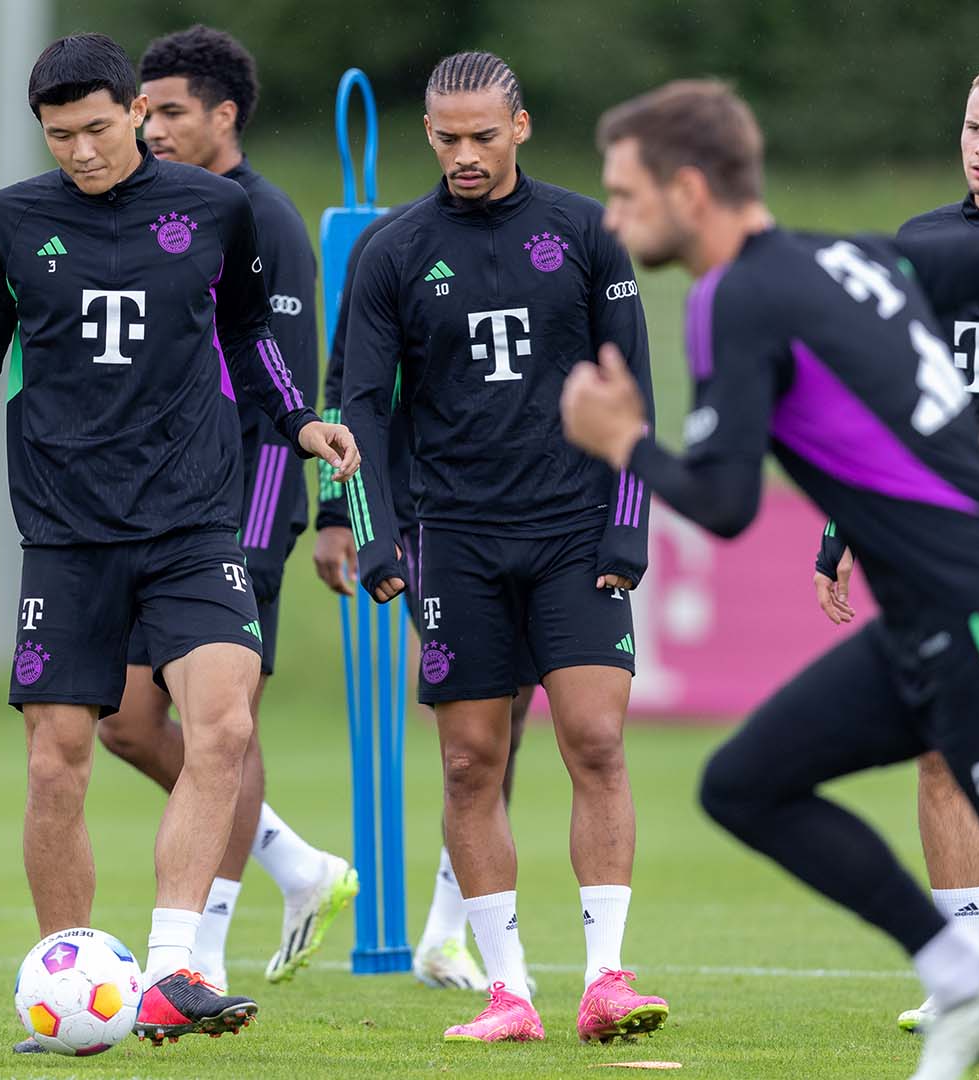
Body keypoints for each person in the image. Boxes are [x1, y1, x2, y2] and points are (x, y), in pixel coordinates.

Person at [0, 33, 358, 1048]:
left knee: (223, 726)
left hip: (193, 518)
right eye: (58, 134)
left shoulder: (217, 210)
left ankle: (171, 969)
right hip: (68, 531)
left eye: (97, 128)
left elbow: (254, 337)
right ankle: (70, 982)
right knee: (57, 761)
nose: (79, 151)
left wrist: (300, 421)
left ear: (135, 112)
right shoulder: (11, 222)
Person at [567, 77, 979, 1080]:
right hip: (920, 628)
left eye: (627, 194)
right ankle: (963, 975)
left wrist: (624, 439)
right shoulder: (850, 255)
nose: (613, 217)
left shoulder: (737, 296)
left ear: (689, 191)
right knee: (746, 784)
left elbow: (723, 503)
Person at [339, 51, 665, 1044]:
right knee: (472, 765)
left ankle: (607, 976)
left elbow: (634, 385)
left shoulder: (585, 233)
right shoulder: (392, 251)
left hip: (573, 529)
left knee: (595, 741)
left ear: (519, 127)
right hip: (456, 540)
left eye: (484, 135)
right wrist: (373, 533)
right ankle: (510, 990)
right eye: (446, 137)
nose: (465, 154)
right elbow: (360, 404)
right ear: (428, 134)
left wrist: (630, 519)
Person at [76, 24, 356, 997]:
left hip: (243, 508)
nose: (150, 129)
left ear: (226, 115)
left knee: (218, 724)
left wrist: (272, 532)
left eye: (171, 112)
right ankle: (295, 865)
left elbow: (283, 391)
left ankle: (203, 952)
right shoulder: (165, 212)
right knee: (124, 721)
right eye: (142, 111)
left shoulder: (261, 222)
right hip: (165, 507)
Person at [808, 59, 979, 1035]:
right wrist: (843, 528)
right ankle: (962, 973)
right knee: (946, 750)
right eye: (975, 129)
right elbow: (882, 405)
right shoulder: (923, 246)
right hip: (942, 542)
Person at [319, 200, 540, 994]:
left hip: (532, 507)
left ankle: (447, 931)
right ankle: (455, 931)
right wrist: (336, 511)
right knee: (478, 719)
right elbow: (347, 386)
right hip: (427, 510)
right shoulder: (391, 247)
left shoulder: (544, 239)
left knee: (511, 712)